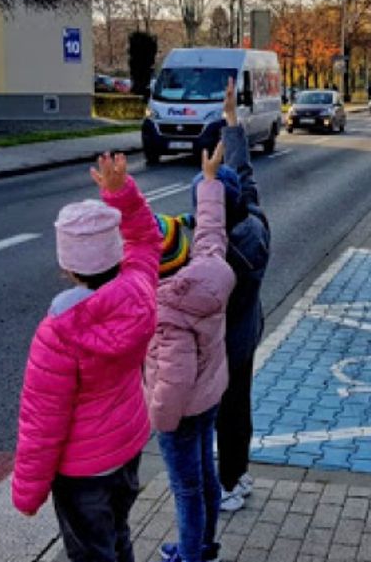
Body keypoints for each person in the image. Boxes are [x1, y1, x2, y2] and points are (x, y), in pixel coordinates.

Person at [12, 153, 161, 562]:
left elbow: (43, 420)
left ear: (68, 267)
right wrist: (122, 196)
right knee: (117, 536)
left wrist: (28, 492)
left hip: (83, 474)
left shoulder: (59, 332)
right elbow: (147, 240)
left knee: (93, 552)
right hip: (128, 448)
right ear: (115, 255)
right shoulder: (139, 287)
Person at [147, 143, 237, 562]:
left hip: (181, 412)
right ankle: (203, 544)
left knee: (187, 487)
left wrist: (159, 421)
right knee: (206, 476)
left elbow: (174, 380)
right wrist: (210, 181)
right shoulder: (208, 268)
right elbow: (211, 230)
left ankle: (189, 556)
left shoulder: (167, 313)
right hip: (210, 396)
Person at [213, 78, 271, 512]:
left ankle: (228, 484)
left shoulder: (219, 254)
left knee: (225, 414)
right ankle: (241, 473)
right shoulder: (253, 223)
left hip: (222, 345)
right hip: (248, 333)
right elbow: (244, 174)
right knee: (241, 408)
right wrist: (231, 122)